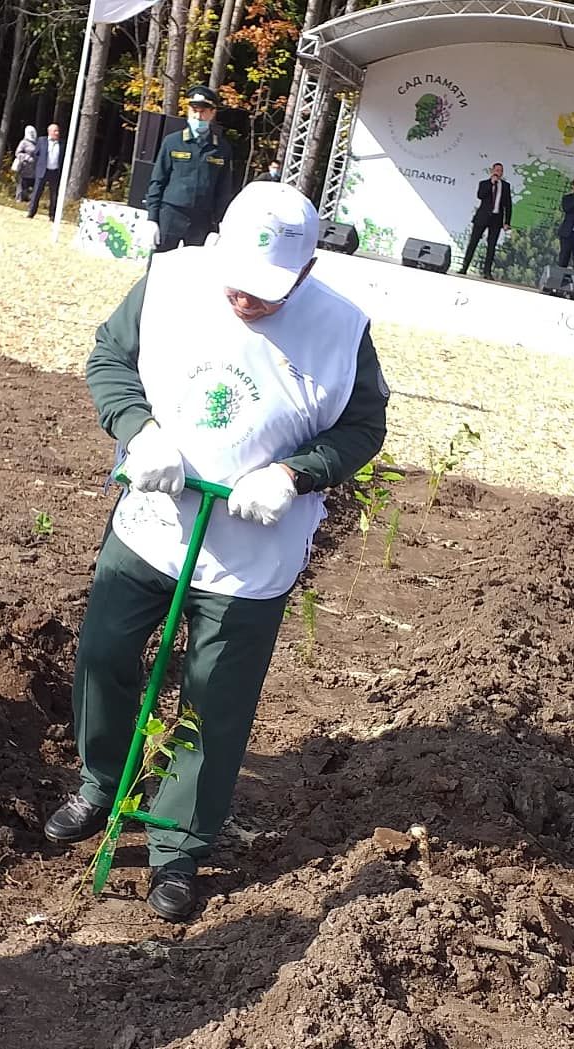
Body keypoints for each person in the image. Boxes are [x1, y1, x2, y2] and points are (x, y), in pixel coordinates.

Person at [43, 182, 390, 922]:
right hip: (152, 522)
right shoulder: (169, 280)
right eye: (236, 281)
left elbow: (362, 428)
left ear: (304, 270)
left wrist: (296, 474)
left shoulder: (341, 329)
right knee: (104, 653)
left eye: (268, 290)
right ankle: (101, 781)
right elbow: (109, 359)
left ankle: (176, 843)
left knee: (213, 702)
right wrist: (139, 430)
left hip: (251, 550)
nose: (246, 299)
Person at [141, 85, 234, 255]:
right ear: (188, 111)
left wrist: (218, 226)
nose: (198, 115)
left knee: (193, 273)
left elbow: (223, 190)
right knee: (160, 267)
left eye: (203, 111)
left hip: (202, 219)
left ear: (212, 113)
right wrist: (152, 219)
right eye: (194, 110)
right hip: (171, 214)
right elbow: (157, 181)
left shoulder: (221, 148)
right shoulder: (173, 142)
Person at [459, 163, 512, 279]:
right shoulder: (484, 183)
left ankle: (487, 272)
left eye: (501, 170)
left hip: (496, 219)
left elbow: (508, 205)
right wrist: (491, 184)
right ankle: (464, 267)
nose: (499, 172)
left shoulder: (506, 186)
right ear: (492, 171)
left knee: (491, 246)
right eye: (497, 170)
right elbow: (480, 195)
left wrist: (507, 221)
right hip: (482, 217)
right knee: (473, 242)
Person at [27, 123, 62, 221]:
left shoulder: (62, 143)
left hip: (55, 172)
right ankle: (31, 212)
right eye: (55, 131)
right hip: (43, 170)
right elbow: (36, 154)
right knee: (37, 192)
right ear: (49, 132)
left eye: (58, 131)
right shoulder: (42, 140)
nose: (57, 133)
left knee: (54, 194)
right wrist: (38, 167)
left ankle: (52, 215)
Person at [13, 125, 38, 203]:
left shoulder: (36, 143)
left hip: (33, 168)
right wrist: (26, 157)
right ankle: (19, 199)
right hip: (24, 167)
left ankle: (29, 199)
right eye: (30, 132)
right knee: (22, 183)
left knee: (32, 184)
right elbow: (17, 153)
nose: (32, 134)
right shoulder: (24, 142)